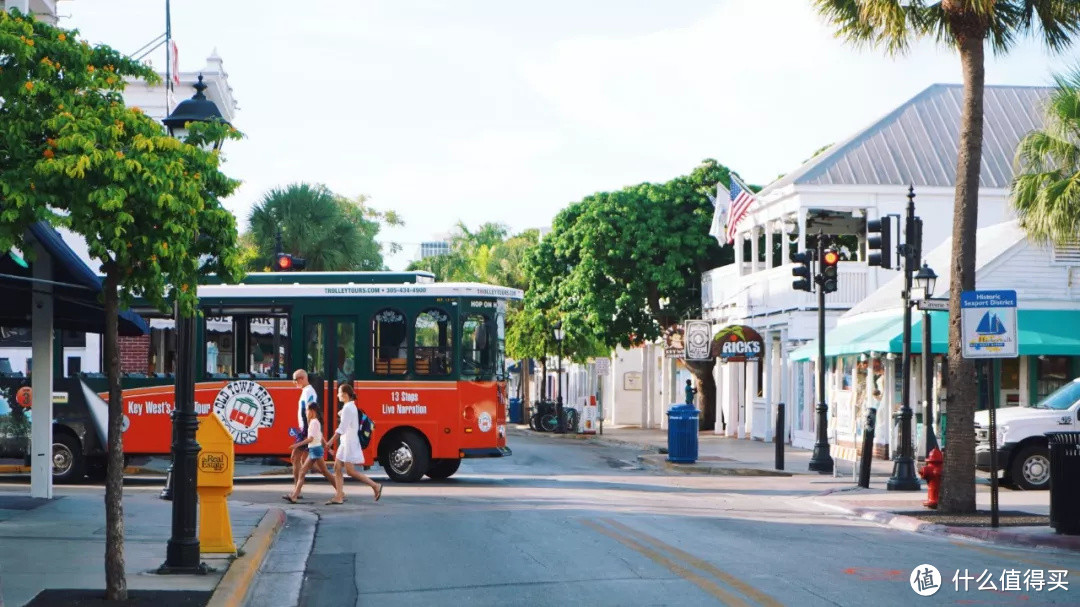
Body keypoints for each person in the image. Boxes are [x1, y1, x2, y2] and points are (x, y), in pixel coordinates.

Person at [325, 383, 382, 505]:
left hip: (349, 443)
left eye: (339, 393)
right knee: (337, 467)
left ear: (345, 395)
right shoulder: (350, 406)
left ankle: (375, 485)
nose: (337, 395)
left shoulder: (348, 408)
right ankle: (339, 496)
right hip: (346, 442)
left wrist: (329, 442)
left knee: (350, 471)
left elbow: (341, 429)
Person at [283, 403, 337, 503]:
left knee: (307, 471)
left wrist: (296, 445)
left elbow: (310, 439)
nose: (305, 413)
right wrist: (327, 448)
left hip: (315, 450)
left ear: (312, 411)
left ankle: (294, 496)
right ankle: (294, 496)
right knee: (320, 472)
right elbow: (320, 436)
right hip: (315, 450)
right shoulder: (315, 422)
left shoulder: (313, 423)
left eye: (307, 410)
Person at [291, 369, 318, 493]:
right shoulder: (307, 391)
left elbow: (310, 411)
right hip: (305, 429)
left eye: (295, 380)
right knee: (309, 462)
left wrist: (306, 429)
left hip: (305, 430)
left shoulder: (308, 392)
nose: (294, 383)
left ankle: (296, 489)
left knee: (295, 458)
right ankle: (337, 485)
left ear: (301, 379)